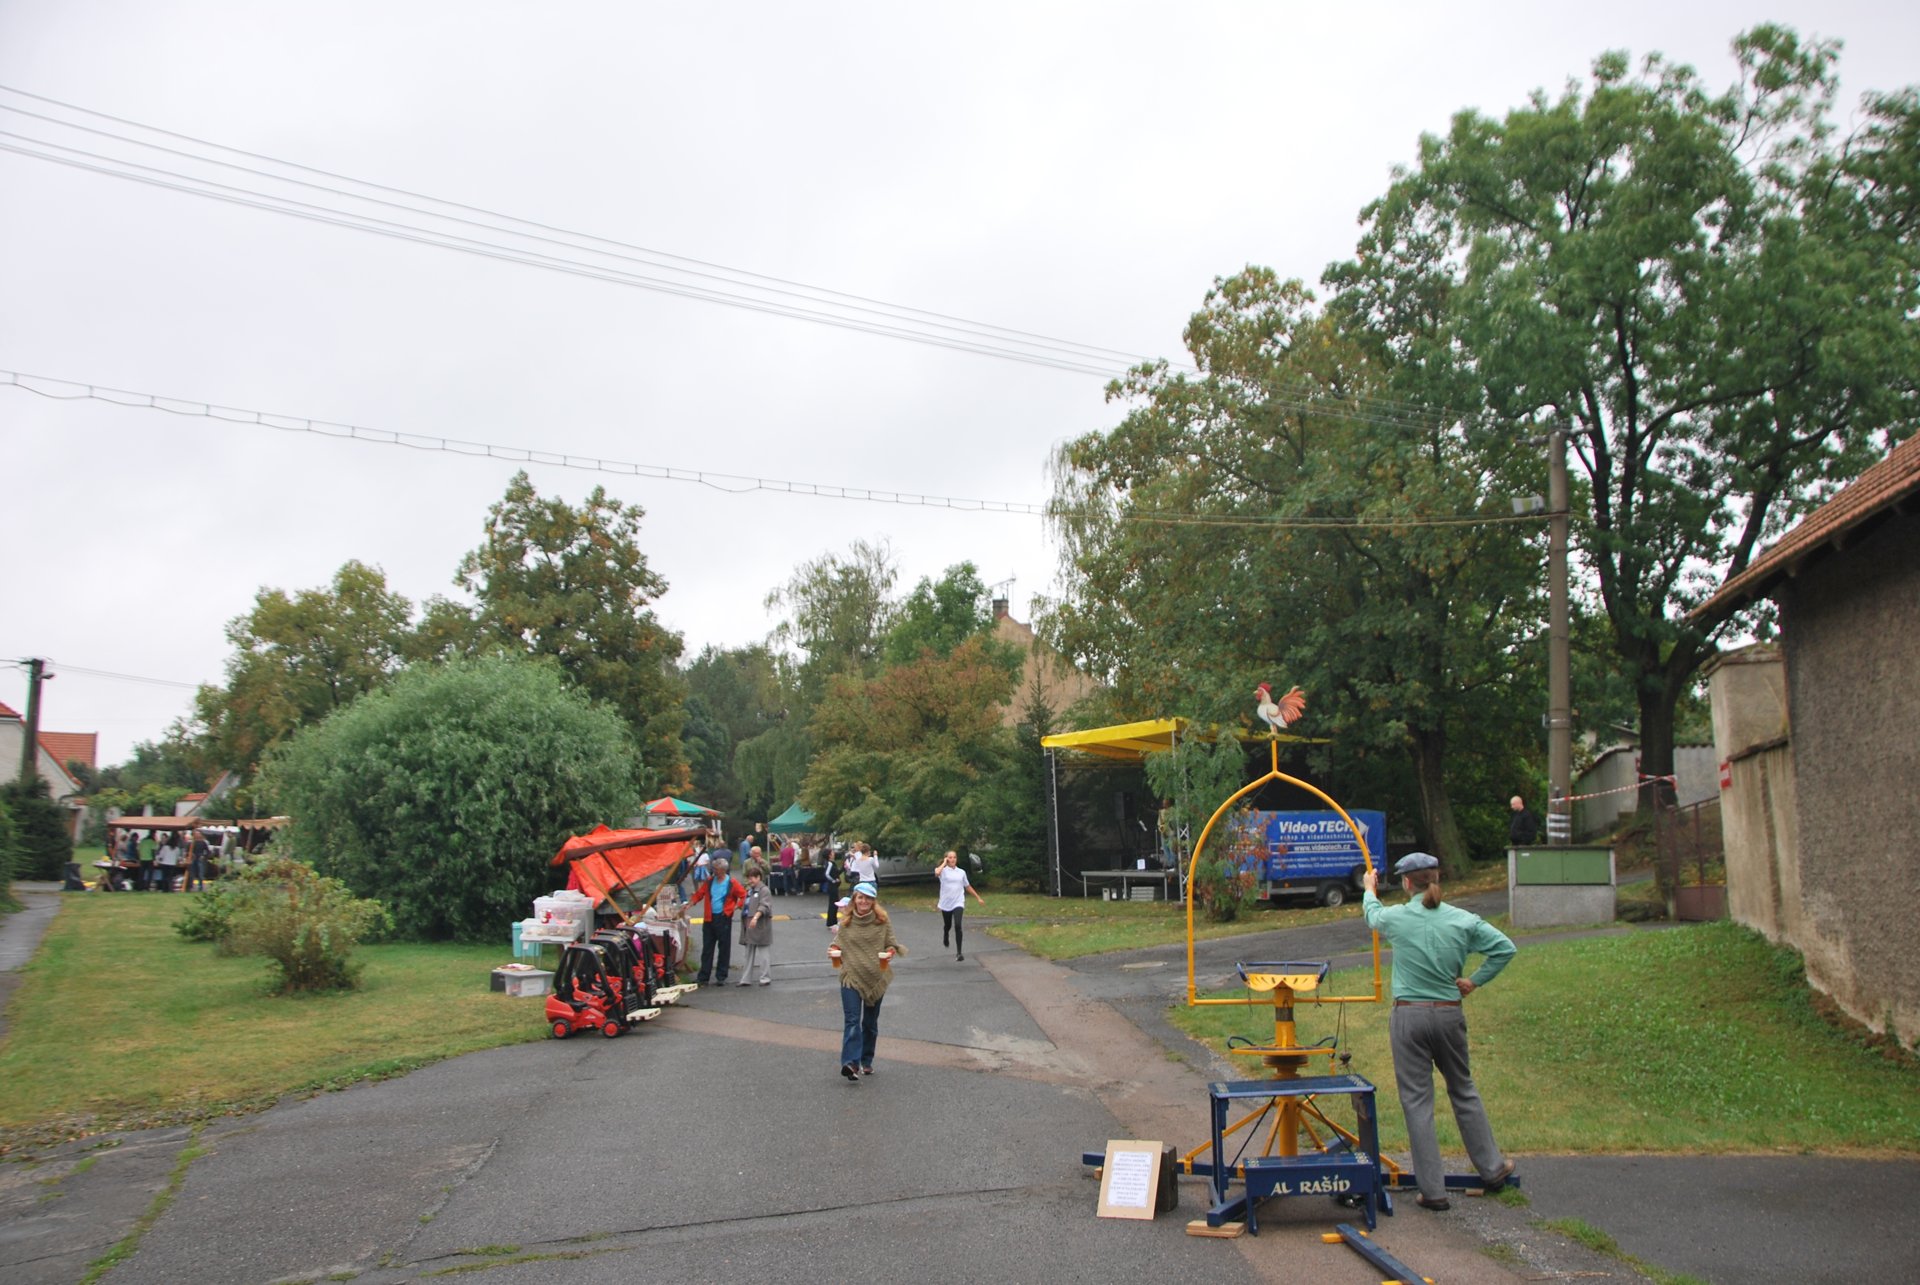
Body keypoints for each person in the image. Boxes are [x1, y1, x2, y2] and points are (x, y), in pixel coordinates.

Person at [1362, 852, 1518, 1211]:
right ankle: (1493, 1168)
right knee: (1463, 1089)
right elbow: (1504, 949)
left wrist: (1369, 889)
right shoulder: (1463, 920)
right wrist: (1474, 981)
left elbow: (1372, 916)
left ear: (1406, 883)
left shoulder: (1397, 918)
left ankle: (1433, 1191)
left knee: (1417, 1101)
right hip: (1449, 1014)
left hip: (1409, 1017)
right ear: (1437, 879)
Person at [830, 882, 903, 1081]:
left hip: (875, 979)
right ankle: (851, 1063)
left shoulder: (882, 921)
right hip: (850, 977)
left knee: (870, 1023)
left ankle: (866, 1059)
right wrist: (833, 951)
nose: (864, 901)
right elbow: (837, 944)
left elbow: (891, 944)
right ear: (854, 900)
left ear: (873, 901)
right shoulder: (846, 921)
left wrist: (890, 953)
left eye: (868, 898)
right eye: (860, 897)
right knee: (852, 1021)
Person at [689, 855, 746, 986]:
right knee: (707, 948)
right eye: (713, 868)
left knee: (724, 947)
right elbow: (700, 893)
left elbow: (743, 895)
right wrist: (691, 902)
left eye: (716, 869)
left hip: (723, 917)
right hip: (709, 918)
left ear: (723, 870)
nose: (713, 871)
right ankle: (703, 977)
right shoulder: (709, 881)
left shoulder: (732, 883)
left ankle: (721, 976)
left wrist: (736, 906)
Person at [935, 850, 985, 962]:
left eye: (954, 857)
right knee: (948, 925)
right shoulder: (942, 871)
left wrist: (978, 897)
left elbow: (967, 886)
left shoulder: (961, 872)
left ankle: (959, 953)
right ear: (946, 859)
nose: (952, 859)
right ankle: (946, 933)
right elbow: (937, 873)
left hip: (958, 901)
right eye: (950, 857)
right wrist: (944, 863)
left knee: (958, 925)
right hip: (946, 903)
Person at [738, 866, 774, 986]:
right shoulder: (750, 891)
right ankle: (745, 979)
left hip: (760, 926)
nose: (750, 881)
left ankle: (765, 978)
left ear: (759, 877)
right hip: (748, 926)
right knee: (748, 954)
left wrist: (755, 917)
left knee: (763, 954)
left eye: (752, 878)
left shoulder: (764, 890)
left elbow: (765, 906)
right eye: (749, 878)